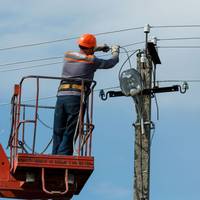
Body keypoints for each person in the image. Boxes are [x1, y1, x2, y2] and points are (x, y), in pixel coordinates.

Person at [52, 33, 120, 155]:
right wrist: (115, 52)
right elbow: (111, 62)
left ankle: (55, 155)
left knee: (58, 129)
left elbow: (86, 51)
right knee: (71, 129)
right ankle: (63, 156)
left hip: (61, 96)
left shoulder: (68, 55)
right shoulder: (91, 60)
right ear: (90, 48)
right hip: (75, 98)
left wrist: (100, 47)